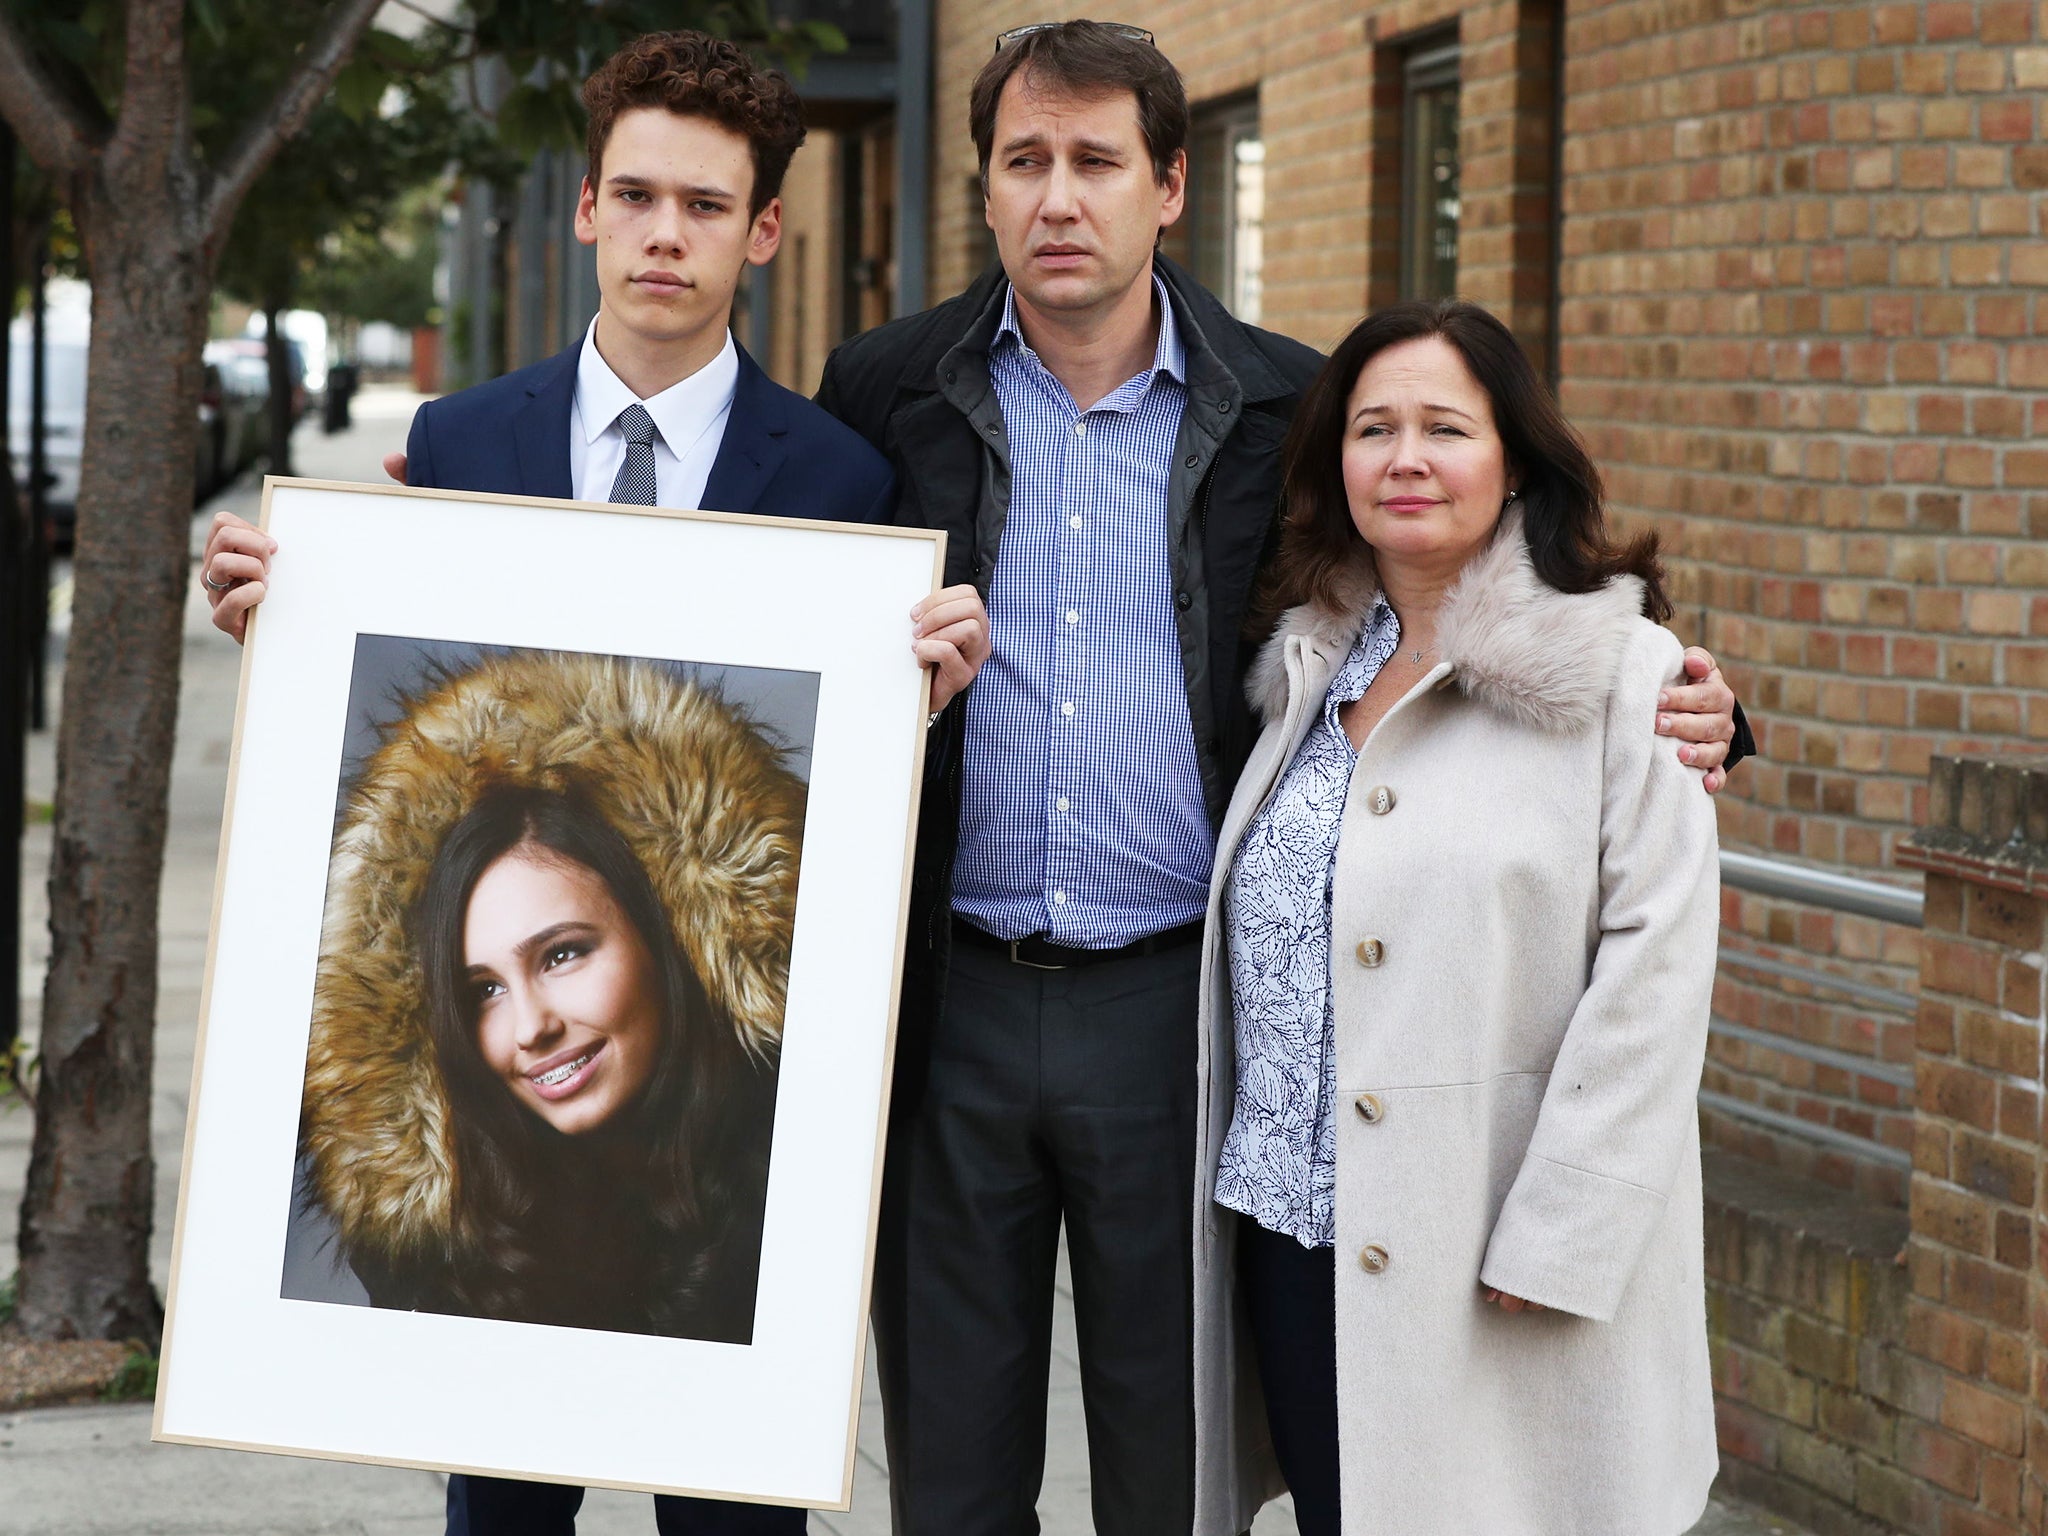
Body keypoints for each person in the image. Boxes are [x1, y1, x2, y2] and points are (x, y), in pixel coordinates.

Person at [813, 21, 1744, 1534]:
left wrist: (1696, 699)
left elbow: (1475, 568)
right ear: (982, 190)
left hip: (1177, 1014)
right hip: (952, 1003)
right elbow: (761, 588)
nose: (1060, 198)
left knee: (1173, 1469)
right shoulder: (882, 391)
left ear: (1170, 184)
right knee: (952, 1474)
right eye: (1025, 162)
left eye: (1098, 162)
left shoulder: (1283, 404)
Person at [207, 30, 992, 1536]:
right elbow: (370, 695)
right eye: (634, 196)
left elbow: (842, 792)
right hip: (522, 1162)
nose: (662, 236)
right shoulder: (458, 442)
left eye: (705, 206)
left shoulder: (840, 480)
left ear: (764, 231)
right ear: (583, 208)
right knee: (499, 1515)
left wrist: (932, 702)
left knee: (734, 1521)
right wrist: (280, 610)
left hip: (731, 1135)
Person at [1191, 300, 1721, 1535]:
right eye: (1372, 429)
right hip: (1293, 1237)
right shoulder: (1298, 672)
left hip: (1489, 1249)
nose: (1404, 458)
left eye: (1444, 427)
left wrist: (1561, 1232)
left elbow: (1657, 969)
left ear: (1515, 462)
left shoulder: (1622, 671)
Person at [301, 653, 804, 1348]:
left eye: (563, 953)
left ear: (668, 937)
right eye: (483, 991)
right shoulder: (447, 1236)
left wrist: (924, 709)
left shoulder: (806, 1149)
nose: (531, 1027)